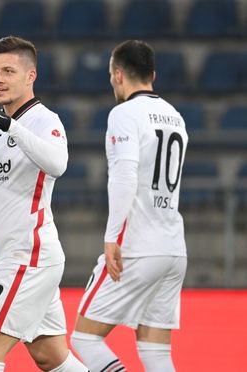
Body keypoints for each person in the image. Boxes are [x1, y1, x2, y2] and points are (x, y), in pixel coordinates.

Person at [0, 36, 89, 372]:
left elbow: (58, 164)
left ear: (31, 76)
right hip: (12, 256)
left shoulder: (45, 121)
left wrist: (11, 126)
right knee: (51, 356)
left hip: (29, 255)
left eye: (8, 71)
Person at [70, 40, 188, 372]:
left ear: (118, 75)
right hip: (173, 248)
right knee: (155, 351)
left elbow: (125, 176)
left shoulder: (124, 114)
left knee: (85, 339)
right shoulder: (175, 116)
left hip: (138, 245)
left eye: (111, 76)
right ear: (153, 74)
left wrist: (112, 238)